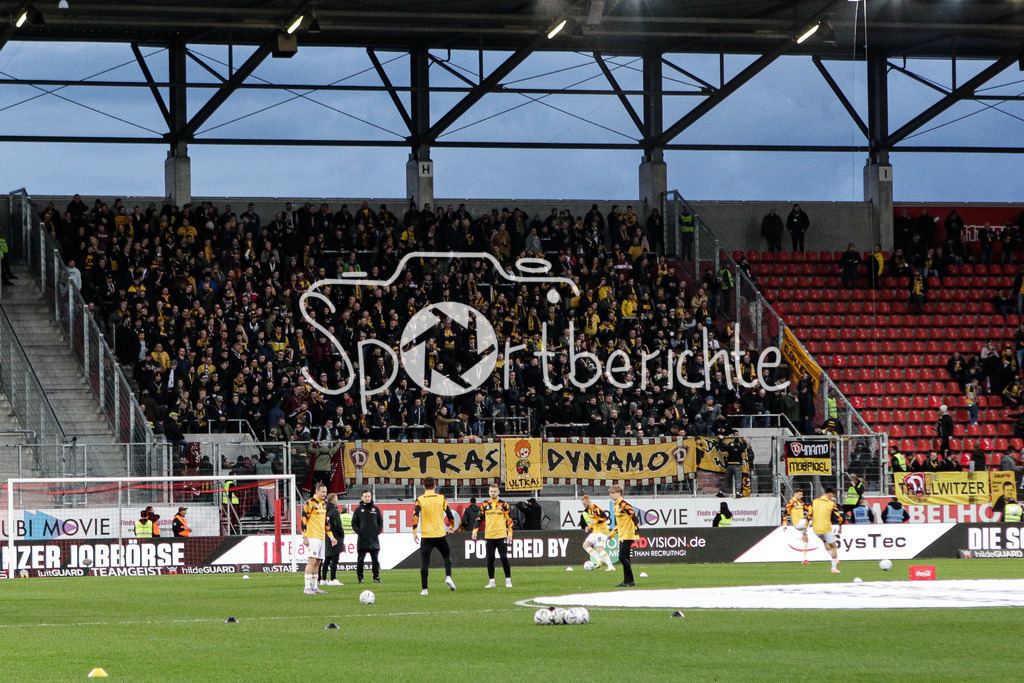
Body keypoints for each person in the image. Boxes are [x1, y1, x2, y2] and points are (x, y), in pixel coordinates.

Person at [411, 476, 456, 595]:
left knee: (425, 563)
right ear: (434, 486)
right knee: (447, 557)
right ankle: (448, 576)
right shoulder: (441, 498)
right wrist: (452, 526)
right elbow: (449, 514)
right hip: (440, 534)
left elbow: (415, 515)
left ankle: (424, 589)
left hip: (426, 535)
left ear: (424, 487)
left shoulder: (420, 499)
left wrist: (415, 532)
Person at [472, 484, 514, 588]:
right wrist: (475, 531)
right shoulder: (484, 504)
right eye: (491, 491)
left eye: (495, 491)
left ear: (499, 492)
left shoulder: (504, 505)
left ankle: (508, 580)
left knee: (504, 558)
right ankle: (492, 581)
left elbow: (509, 520)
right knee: (490, 559)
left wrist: (510, 534)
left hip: (501, 535)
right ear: (488, 492)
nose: (493, 493)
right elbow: (479, 519)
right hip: (489, 535)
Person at [300, 483, 336, 595]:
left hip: (321, 537)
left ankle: (315, 587)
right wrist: (305, 536)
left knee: (319, 562)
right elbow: (303, 520)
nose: (324, 494)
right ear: (317, 491)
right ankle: (307, 587)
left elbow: (325, 522)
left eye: (326, 492)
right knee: (312, 561)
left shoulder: (324, 504)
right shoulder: (310, 503)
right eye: (322, 492)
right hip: (312, 537)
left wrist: (331, 537)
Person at [607, 485, 639, 587]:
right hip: (622, 535)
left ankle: (630, 580)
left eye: (613, 493)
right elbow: (619, 523)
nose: (611, 495)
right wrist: (613, 533)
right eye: (610, 493)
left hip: (628, 535)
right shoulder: (615, 506)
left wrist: (637, 534)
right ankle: (627, 581)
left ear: (619, 493)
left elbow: (636, 519)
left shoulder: (625, 505)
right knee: (626, 558)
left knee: (621, 557)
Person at [351, 489, 384, 584]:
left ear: (371, 497)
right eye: (365, 496)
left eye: (368, 496)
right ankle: (360, 578)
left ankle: (376, 577)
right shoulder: (358, 510)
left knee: (375, 559)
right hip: (363, 539)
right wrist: (359, 532)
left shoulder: (376, 509)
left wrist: (377, 531)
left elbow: (380, 522)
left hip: (374, 539)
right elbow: (354, 523)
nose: (367, 498)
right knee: (360, 560)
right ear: (362, 498)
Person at [808, 487, 842, 573]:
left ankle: (832, 557)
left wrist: (806, 525)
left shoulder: (814, 502)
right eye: (832, 496)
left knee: (825, 542)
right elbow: (839, 517)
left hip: (816, 529)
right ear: (830, 494)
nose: (832, 498)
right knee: (834, 546)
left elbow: (809, 514)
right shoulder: (831, 504)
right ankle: (834, 567)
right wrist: (840, 526)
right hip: (826, 528)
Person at [580, 494, 615, 571]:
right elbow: (593, 522)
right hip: (596, 531)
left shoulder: (596, 508)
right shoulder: (589, 510)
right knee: (586, 545)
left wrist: (595, 522)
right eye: (583, 504)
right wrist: (589, 527)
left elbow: (605, 518)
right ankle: (599, 560)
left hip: (602, 531)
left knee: (599, 549)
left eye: (585, 503)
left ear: (589, 502)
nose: (584, 505)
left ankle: (611, 567)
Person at [319, 493, 345, 586]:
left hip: (327, 536)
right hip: (335, 537)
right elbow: (338, 525)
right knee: (334, 558)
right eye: (336, 498)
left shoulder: (325, 510)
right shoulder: (335, 511)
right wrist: (341, 534)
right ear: (334, 500)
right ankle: (333, 578)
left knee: (327, 558)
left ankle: (323, 579)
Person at [785, 490, 810, 564]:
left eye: (802, 494)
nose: (801, 496)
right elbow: (786, 512)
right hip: (798, 523)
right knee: (812, 520)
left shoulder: (801, 503)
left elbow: (807, 508)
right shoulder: (792, 502)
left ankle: (804, 559)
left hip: (802, 524)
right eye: (800, 494)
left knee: (805, 539)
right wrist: (784, 524)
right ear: (795, 494)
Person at [717, 433, 746, 498]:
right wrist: (744, 440)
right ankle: (738, 492)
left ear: (733, 443)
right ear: (738, 443)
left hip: (729, 465)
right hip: (737, 465)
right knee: (738, 479)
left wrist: (721, 439)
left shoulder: (730, 448)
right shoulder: (740, 449)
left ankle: (721, 491)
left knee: (726, 479)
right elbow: (744, 446)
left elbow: (722, 446)